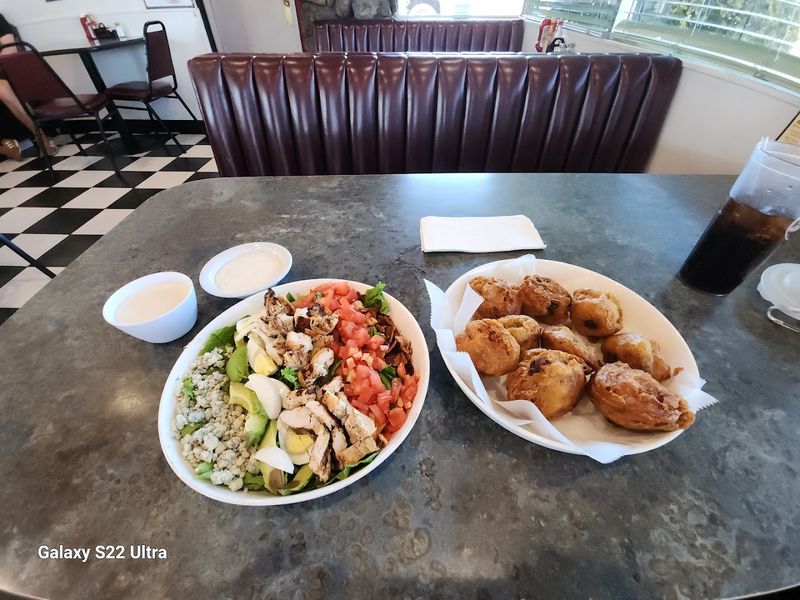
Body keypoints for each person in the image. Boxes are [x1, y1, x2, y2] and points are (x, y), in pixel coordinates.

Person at [0, 12, 57, 160]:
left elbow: (9, 50)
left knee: (3, 90)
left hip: (4, 69)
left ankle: (40, 136)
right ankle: (4, 143)